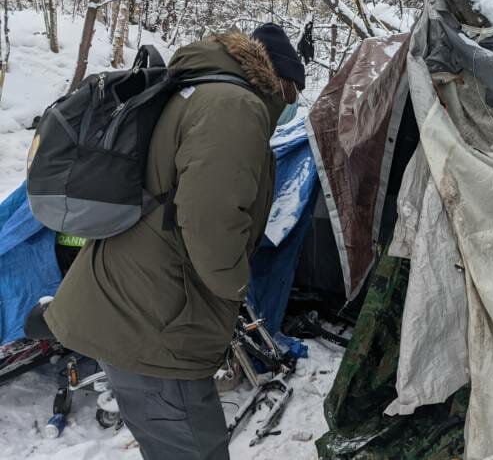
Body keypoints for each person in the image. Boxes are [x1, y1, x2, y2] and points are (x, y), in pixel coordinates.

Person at [44, 23, 305, 460]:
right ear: (278, 81)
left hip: (128, 304)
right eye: (293, 95)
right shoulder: (234, 105)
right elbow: (211, 219)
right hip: (157, 322)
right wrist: (236, 286)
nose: (292, 107)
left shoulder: (194, 90)